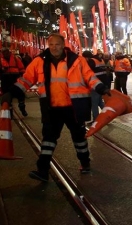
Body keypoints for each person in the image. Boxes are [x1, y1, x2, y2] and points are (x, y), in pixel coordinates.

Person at [1, 34, 110, 182]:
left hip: (74, 107)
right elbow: (26, 79)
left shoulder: (77, 60)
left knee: (79, 139)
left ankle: (85, 163)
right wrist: (11, 93)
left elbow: (89, 77)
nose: (54, 47)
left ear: (63, 45)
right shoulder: (39, 61)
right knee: (48, 140)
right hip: (51, 107)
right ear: (48, 45)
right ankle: (42, 170)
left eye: (57, 44)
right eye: (51, 44)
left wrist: (102, 88)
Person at [0, 48, 27, 116]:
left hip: (15, 80)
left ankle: (22, 108)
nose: (5, 54)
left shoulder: (15, 59)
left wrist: (21, 78)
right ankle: (10, 114)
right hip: (5, 81)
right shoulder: (1, 61)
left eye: (6, 52)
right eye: (4, 53)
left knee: (20, 95)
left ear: (9, 52)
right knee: (7, 99)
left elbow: (22, 69)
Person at [84, 50, 106, 122]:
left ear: (86, 57)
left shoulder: (91, 61)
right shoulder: (100, 60)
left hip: (95, 84)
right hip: (102, 84)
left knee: (94, 103)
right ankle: (108, 115)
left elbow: (88, 73)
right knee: (99, 102)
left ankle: (96, 119)